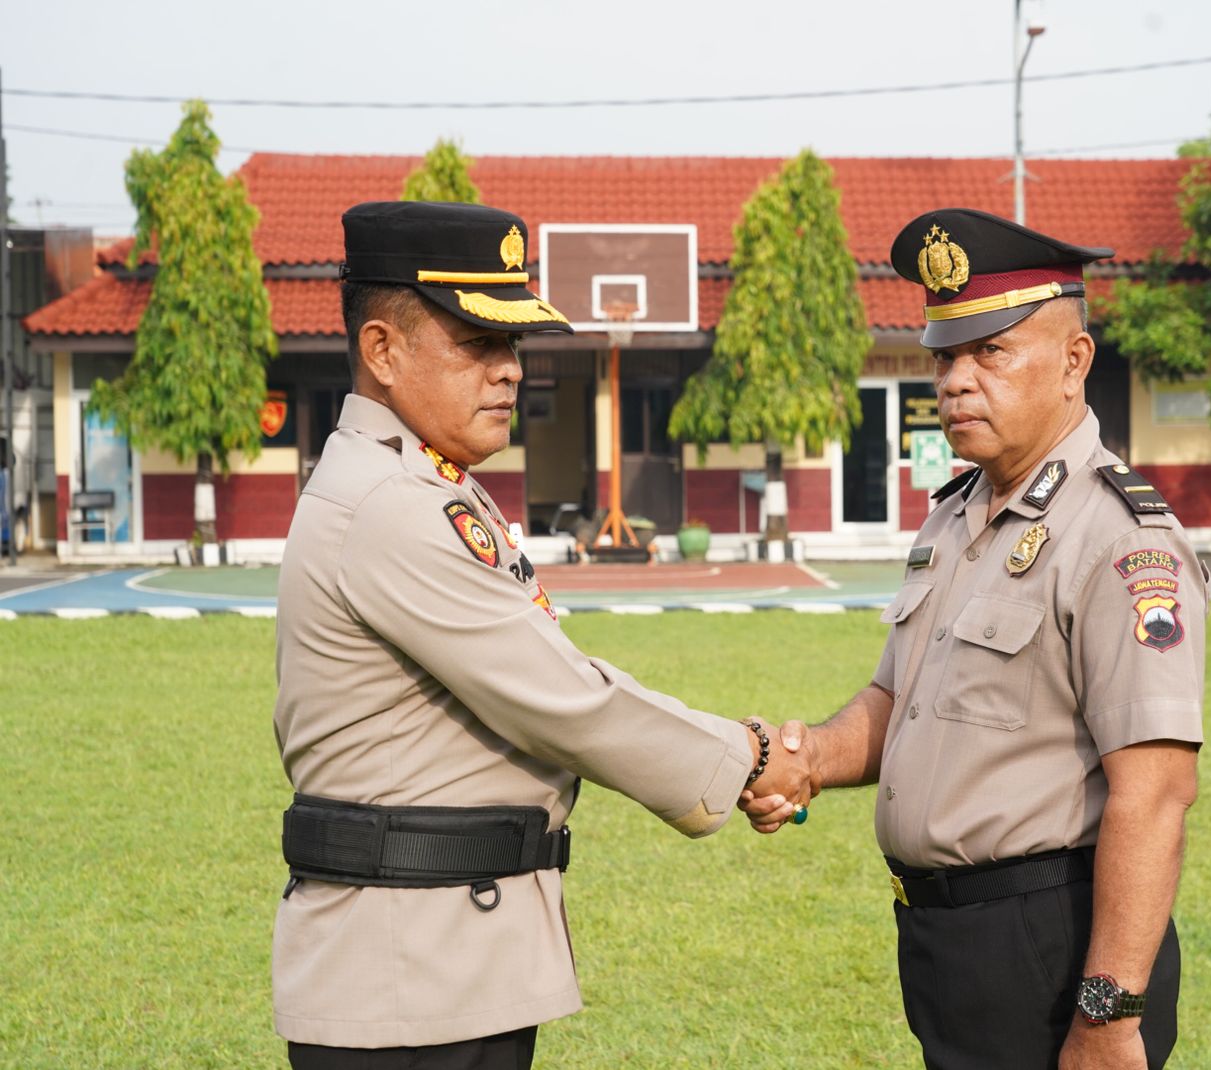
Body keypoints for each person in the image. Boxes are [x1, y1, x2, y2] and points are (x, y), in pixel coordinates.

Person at [272, 200, 814, 1070]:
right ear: (382, 350)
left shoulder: (423, 484)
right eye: (475, 343)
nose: (509, 370)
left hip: (440, 954)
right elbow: (560, 698)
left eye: (513, 344)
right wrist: (745, 756)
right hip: (407, 976)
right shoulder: (391, 505)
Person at [743, 207, 1207, 1070]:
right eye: (947, 356)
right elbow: (898, 701)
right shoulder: (958, 517)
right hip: (945, 943)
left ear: (1075, 363)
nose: (956, 381)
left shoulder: (1121, 538)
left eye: (991, 352)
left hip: (1052, 946)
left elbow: (1156, 794)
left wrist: (1107, 1016)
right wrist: (806, 757)